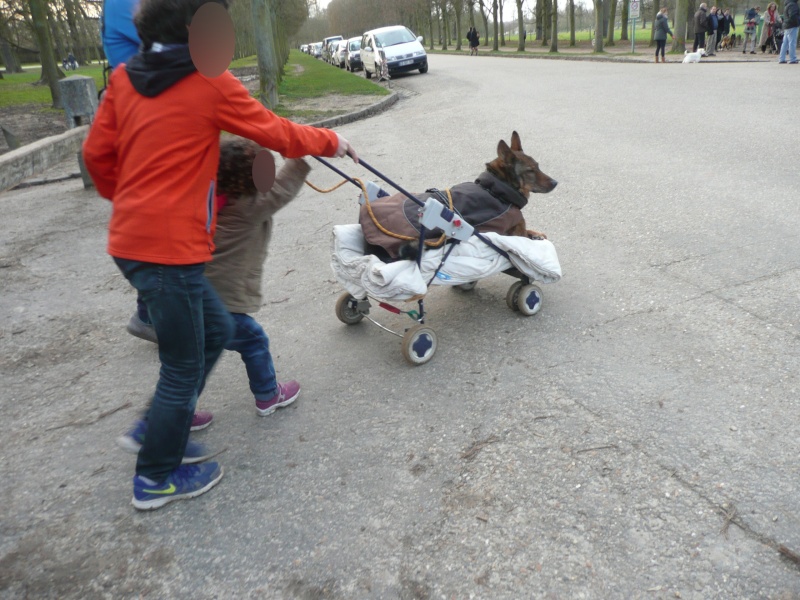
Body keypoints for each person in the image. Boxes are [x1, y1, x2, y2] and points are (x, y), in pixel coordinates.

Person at [82, 0, 358, 510]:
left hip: (130, 243)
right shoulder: (209, 80)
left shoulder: (124, 79)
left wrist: (130, 201)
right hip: (171, 250)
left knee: (218, 331)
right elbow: (275, 132)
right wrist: (331, 141)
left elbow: (96, 157)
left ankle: (160, 426)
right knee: (184, 365)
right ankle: (156, 475)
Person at [205, 138, 308, 417]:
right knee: (253, 340)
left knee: (191, 360)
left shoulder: (215, 196)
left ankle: (175, 412)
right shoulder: (248, 207)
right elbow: (281, 191)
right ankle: (268, 395)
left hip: (193, 294)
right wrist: (301, 156)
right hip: (221, 302)